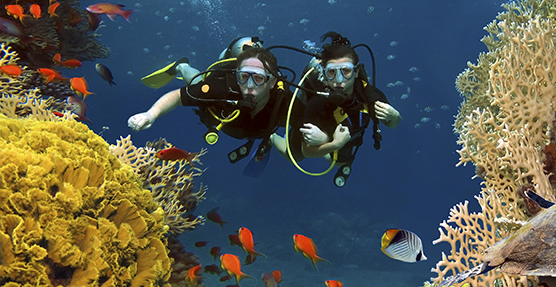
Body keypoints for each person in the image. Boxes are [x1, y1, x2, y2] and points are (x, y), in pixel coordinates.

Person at [128, 43, 297, 175]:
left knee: (275, 137)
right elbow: (179, 96)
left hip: (262, 130)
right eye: (243, 77)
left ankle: (270, 137)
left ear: (272, 81)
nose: (249, 86)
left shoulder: (284, 100)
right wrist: (151, 114)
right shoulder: (221, 87)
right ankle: (182, 66)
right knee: (196, 82)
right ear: (236, 75)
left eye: (259, 78)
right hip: (214, 112)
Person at [271, 32, 401, 187]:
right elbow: (306, 151)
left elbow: (392, 123)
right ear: (324, 75)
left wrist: (395, 116)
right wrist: (333, 145)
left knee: (340, 162)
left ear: (357, 71)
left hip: (344, 137)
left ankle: (327, 144)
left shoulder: (370, 95)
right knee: (294, 156)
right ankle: (271, 137)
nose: (339, 82)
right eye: (332, 72)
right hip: (325, 132)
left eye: (346, 71)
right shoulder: (317, 103)